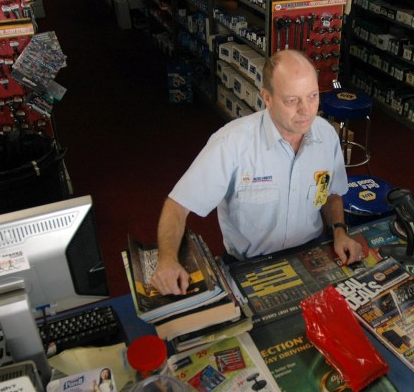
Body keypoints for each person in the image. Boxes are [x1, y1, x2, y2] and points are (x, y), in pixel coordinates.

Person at [151, 50, 364, 295]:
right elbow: (177, 206)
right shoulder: (231, 144)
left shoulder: (326, 135)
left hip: (312, 253)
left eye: (313, 96)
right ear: (267, 97)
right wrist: (167, 259)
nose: (307, 111)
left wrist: (339, 230)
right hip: (249, 267)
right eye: (292, 100)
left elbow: (331, 192)